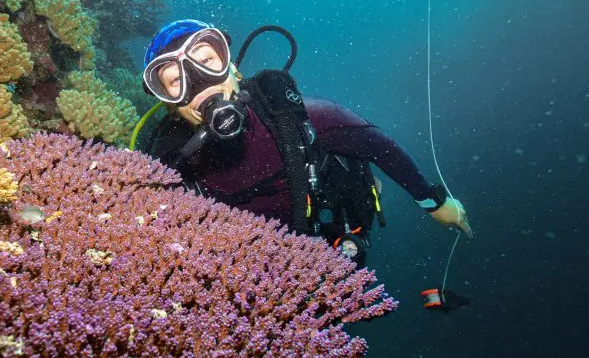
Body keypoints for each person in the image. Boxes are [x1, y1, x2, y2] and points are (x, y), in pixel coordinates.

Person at [137, 19, 472, 267]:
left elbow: (376, 146)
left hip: (321, 240)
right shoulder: (169, 161)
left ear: (233, 69)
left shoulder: (301, 117)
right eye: (176, 81)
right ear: (171, 104)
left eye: (207, 61)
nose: (198, 83)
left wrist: (434, 203)